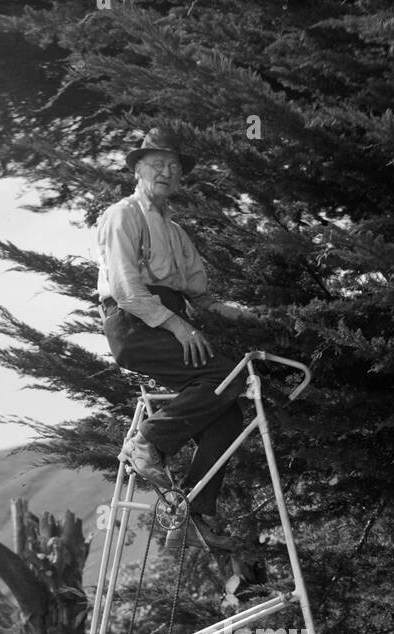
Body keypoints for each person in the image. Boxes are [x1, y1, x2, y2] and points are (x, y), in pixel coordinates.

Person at [96, 126, 255, 551]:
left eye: (174, 166)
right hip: (134, 322)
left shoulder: (177, 232)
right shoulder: (122, 215)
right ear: (138, 169)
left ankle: (194, 511)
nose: (166, 172)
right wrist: (179, 326)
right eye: (157, 164)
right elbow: (128, 291)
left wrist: (251, 317)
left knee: (228, 415)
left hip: (166, 318)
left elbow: (202, 297)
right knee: (224, 375)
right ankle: (147, 442)